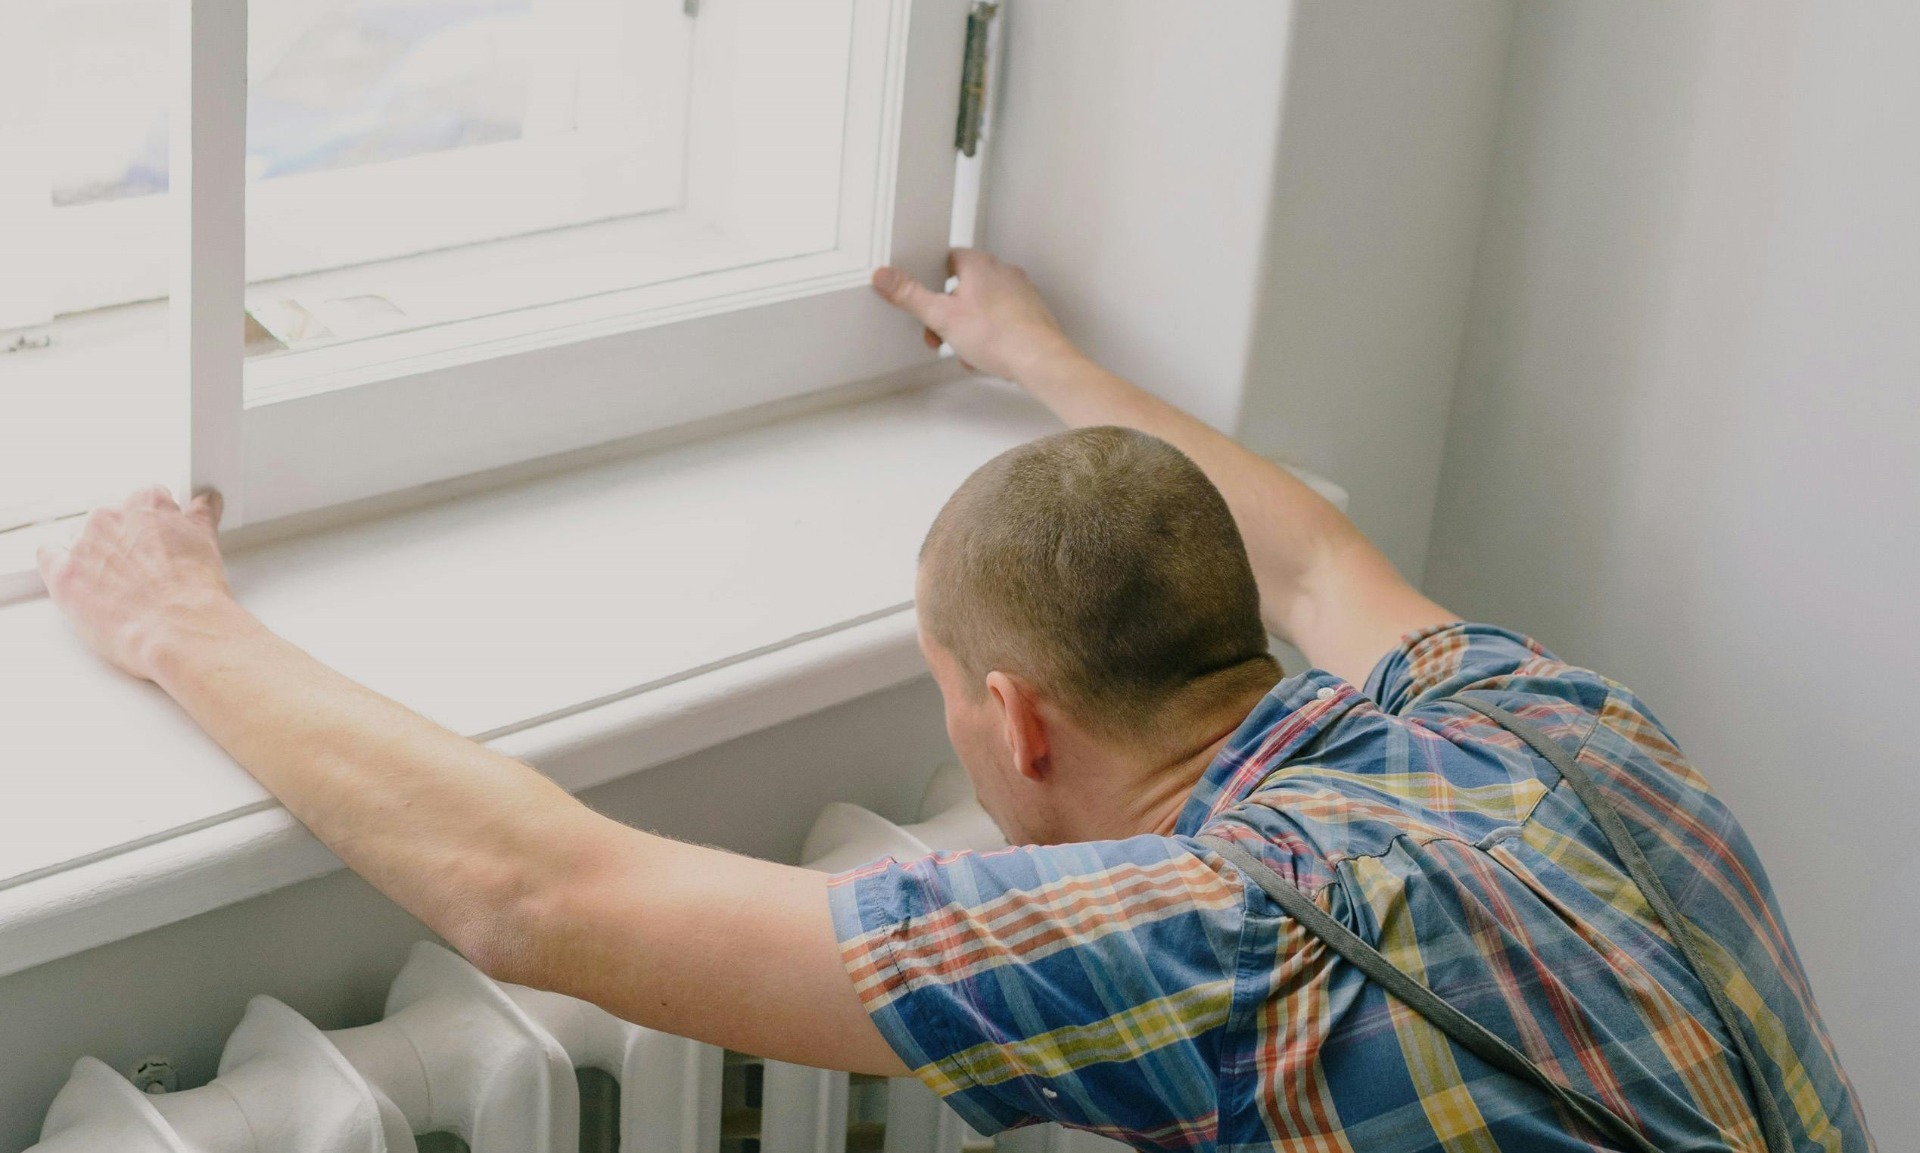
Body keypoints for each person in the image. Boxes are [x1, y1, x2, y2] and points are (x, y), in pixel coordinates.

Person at [38, 250, 1870, 1151]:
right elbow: (1316, 559)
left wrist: (179, 623)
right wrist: (1039, 357)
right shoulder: (1546, 720)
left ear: (1018, 721)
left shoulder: (1221, 948)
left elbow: (543, 898)